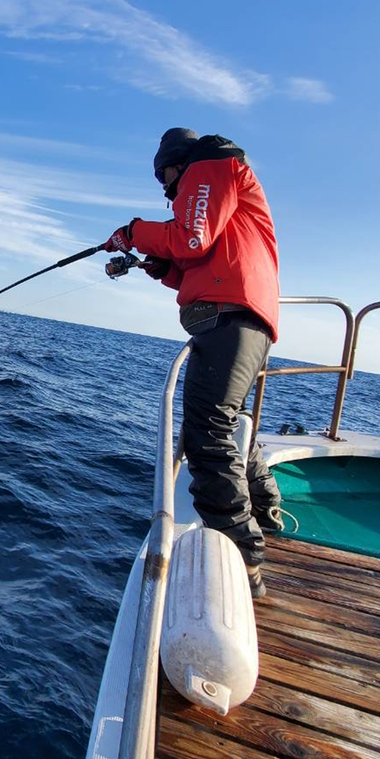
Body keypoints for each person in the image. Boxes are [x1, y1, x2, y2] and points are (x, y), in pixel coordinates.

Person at [103, 127, 282, 599]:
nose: (164, 186)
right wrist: (158, 265)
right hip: (241, 319)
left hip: (232, 320)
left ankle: (244, 563)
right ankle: (264, 507)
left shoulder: (209, 166)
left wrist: (132, 232)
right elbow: (191, 258)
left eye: (163, 173)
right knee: (229, 421)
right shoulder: (220, 178)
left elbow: (192, 239)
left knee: (206, 434)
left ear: (176, 162)